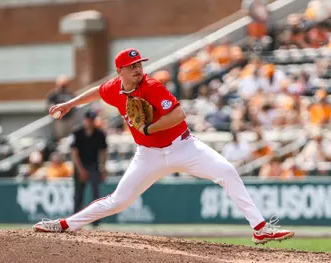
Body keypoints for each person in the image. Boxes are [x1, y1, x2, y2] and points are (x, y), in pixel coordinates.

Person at [33, 48, 294, 244]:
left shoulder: (152, 86)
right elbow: (97, 92)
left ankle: (259, 228)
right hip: (148, 156)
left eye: (139, 64)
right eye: (131, 66)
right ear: (120, 72)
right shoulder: (114, 89)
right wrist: (69, 104)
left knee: (226, 172)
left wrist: (149, 127)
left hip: (183, 147)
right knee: (118, 201)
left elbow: (179, 114)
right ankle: (65, 225)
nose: (138, 69)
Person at [70, 110, 108, 227]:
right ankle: (74, 221)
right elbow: (74, 153)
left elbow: (103, 152)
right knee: (78, 196)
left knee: (95, 196)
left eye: (92, 120)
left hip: (94, 166)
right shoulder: (77, 132)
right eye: (88, 120)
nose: (90, 122)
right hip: (80, 166)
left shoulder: (100, 134)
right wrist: (80, 170)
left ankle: (95, 222)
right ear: (85, 120)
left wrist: (103, 167)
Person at [47, 75, 76, 141]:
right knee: (61, 137)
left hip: (69, 118)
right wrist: (54, 110)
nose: (63, 86)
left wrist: (72, 112)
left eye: (64, 84)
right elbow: (49, 103)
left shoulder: (69, 93)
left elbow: (74, 102)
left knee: (70, 136)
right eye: (62, 84)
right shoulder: (54, 94)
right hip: (60, 120)